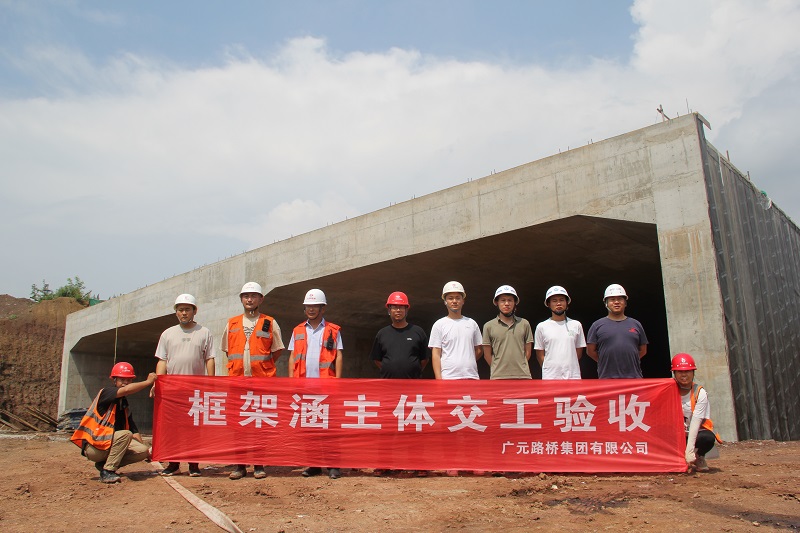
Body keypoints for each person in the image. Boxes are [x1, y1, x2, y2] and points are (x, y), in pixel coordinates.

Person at [221, 281, 285, 480]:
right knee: (239, 425)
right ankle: (240, 466)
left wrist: (261, 366)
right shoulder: (232, 323)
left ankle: (258, 465)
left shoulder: (269, 322)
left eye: (253, 296)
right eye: (246, 296)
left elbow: (277, 350)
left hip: (261, 383)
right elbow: (228, 351)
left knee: (259, 425)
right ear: (241, 299)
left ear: (261, 299)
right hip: (238, 382)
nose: (249, 299)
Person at [152, 293, 215, 477]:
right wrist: (158, 382)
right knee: (173, 428)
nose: (184, 313)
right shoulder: (167, 334)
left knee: (193, 429)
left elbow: (209, 359)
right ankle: (173, 464)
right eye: (180, 310)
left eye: (187, 309)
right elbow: (162, 361)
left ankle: (193, 465)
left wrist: (211, 383)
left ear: (195, 311)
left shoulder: (204, 332)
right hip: (173, 390)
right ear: (176, 312)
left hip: (195, 390)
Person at [370, 291, 429, 477]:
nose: (398, 310)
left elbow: (424, 359)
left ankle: (418, 464)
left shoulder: (418, 332)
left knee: (414, 427)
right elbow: (377, 359)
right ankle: (384, 464)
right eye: (394, 307)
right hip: (388, 389)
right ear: (389, 310)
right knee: (387, 427)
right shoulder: (382, 334)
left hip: (413, 387)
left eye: (401, 307)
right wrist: (391, 369)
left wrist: (410, 370)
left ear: (407, 309)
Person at [288, 288, 343, 479]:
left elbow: (339, 355)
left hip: (326, 387)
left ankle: (333, 465)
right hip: (304, 387)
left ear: (323, 308)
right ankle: (314, 464)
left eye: (315, 306)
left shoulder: (333, 330)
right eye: (308, 306)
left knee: (329, 428)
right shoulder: (297, 330)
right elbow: (292, 356)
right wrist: (292, 382)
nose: (311, 309)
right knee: (310, 428)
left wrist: (338, 382)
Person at [70, 362, 157, 483]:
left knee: (142, 450)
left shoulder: (124, 405)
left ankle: (104, 465)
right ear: (114, 380)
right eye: (122, 379)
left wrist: (147, 454)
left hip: (107, 445)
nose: (125, 382)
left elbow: (134, 431)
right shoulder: (106, 392)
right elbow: (126, 390)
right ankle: (108, 471)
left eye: (128, 380)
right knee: (125, 434)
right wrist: (148, 382)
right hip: (95, 447)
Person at [672, 353, 722, 472]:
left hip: (694, 434)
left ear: (693, 372)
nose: (684, 375)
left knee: (707, 438)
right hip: (676, 434)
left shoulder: (700, 393)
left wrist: (689, 451)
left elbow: (696, 422)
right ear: (674, 373)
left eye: (687, 371)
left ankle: (698, 456)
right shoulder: (668, 390)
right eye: (680, 372)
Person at [586, 284, 648, 378]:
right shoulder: (597, 325)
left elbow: (643, 350)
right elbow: (590, 351)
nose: (616, 302)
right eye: (612, 299)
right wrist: (605, 361)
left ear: (625, 302)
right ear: (606, 303)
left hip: (634, 377)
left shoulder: (636, 324)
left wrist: (630, 359)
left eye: (620, 299)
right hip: (607, 378)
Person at [430, 281, 482, 380]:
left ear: (463, 301)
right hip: (448, 378)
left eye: (458, 298)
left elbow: (479, 349)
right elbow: (436, 354)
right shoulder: (439, 325)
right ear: (445, 301)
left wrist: (467, 361)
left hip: (471, 377)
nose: (454, 301)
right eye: (450, 298)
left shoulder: (472, 323)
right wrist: (439, 380)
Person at [481, 285, 533, 379]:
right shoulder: (488, 326)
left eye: (510, 300)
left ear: (515, 302)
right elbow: (487, 354)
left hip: (523, 375)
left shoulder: (524, 323)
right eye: (503, 300)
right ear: (496, 302)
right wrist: (497, 368)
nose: (506, 303)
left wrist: (521, 365)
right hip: (498, 377)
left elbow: (528, 351)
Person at [534, 286, 586, 380]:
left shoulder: (576, 325)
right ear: (548, 304)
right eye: (554, 301)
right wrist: (549, 369)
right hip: (550, 377)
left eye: (561, 300)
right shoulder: (542, 326)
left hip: (573, 376)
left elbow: (578, 352)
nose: (558, 303)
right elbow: (539, 354)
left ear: (566, 302)